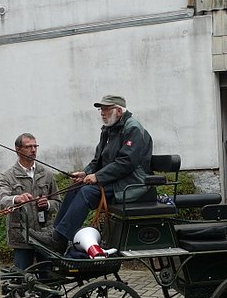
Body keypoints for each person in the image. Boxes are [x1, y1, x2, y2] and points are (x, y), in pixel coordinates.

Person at [42, 95, 153, 254]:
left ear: (119, 111)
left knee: (87, 192)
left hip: (130, 183)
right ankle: (56, 235)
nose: (102, 113)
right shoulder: (108, 130)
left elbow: (126, 162)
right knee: (76, 186)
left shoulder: (133, 128)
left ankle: (59, 238)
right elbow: (98, 160)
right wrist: (86, 173)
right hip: (114, 180)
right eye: (101, 109)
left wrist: (98, 177)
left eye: (106, 109)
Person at [0, 134, 61, 298]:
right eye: (29, 147)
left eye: (35, 146)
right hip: (21, 237)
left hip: (44, 236)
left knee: (48, 280)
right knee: (23, 281)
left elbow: (59, 203)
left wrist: (48, 204)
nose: (34, 150)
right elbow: (1, 199)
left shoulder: (46, 174)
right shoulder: (8, 175)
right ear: (18, 150)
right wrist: (17, 199)